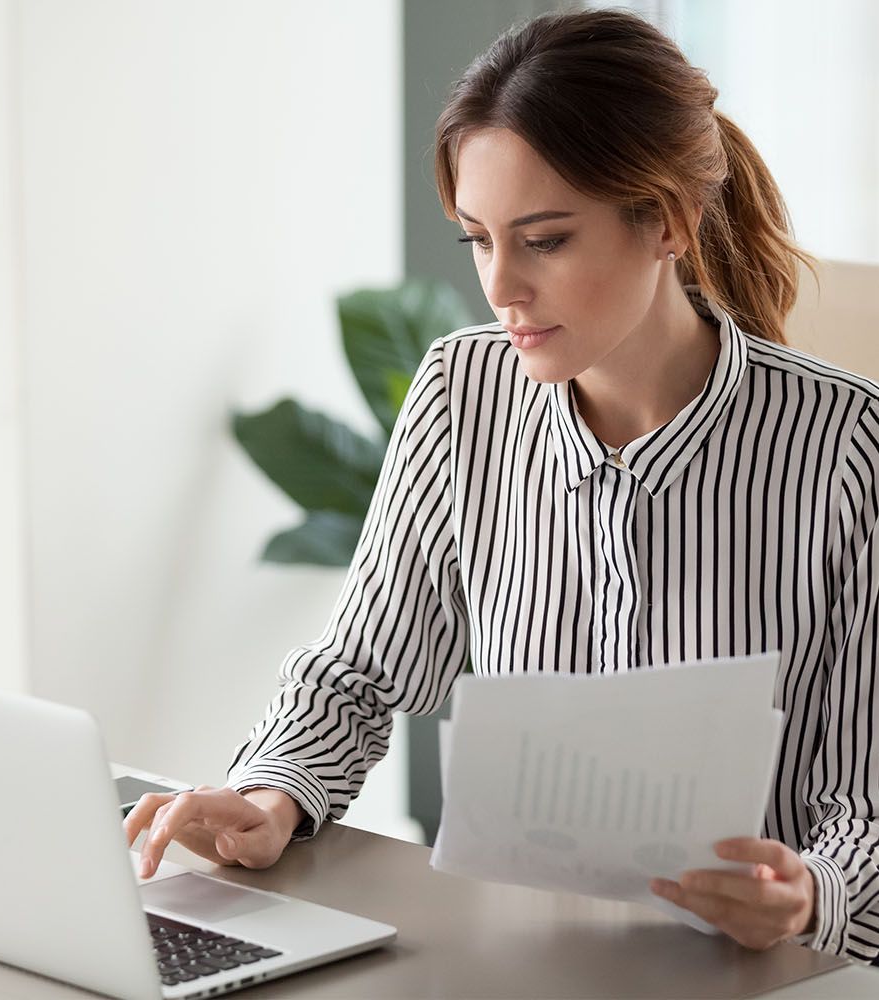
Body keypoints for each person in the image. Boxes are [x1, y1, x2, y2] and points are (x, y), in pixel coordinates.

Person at [124, 8, 878, 965]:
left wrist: (809, 895)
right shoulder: (459, 393)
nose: (502, 286)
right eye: (477, 239)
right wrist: (273, 793)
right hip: (498, 964)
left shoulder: (851, 448)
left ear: (669, 222)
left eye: (546, 240)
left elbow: (868, 807)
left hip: (751, 980)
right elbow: (357, 674)